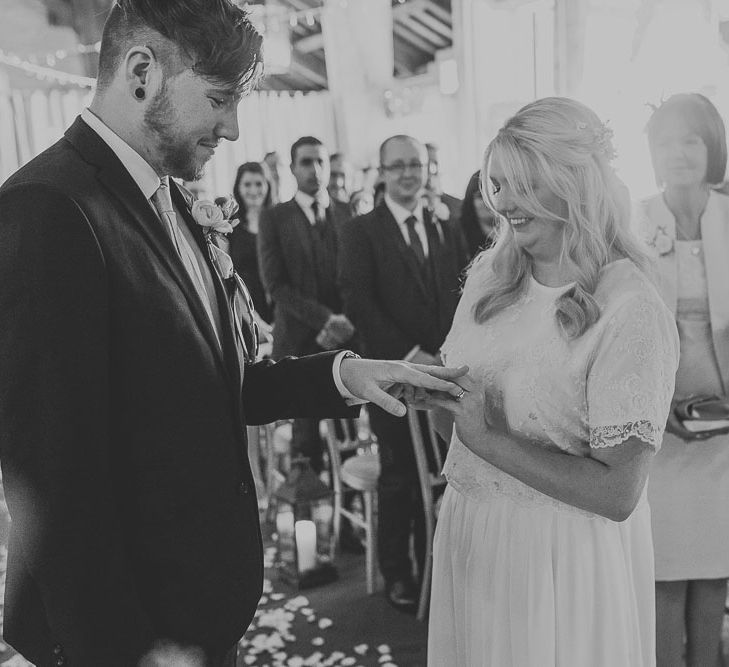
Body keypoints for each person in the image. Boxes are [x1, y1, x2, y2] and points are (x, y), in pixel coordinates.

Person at [0, 2, 467, 665]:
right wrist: (128, 650)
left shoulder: (169, 198)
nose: (234, 127)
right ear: (141, 72)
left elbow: (221, 382)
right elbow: (50, 481)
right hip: (136, 629)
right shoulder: (48, 208)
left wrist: (346, 372)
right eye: (218, 99)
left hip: (199, 605)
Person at [416, 97, 680, 666]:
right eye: (498, 184)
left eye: (522, 183)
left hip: (561, 560)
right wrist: (436, 399)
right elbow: (464, 426)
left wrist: (487, 439)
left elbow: (618, 494)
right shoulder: (490, 276)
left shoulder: (628, 306)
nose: (502, 202)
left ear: (572, 181)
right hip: (473, 534)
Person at [339, 135, 467, 612]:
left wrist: (446, 354)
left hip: (441, 369)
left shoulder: (441, 223)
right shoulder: (360, 231)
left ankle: (438, 564)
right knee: (400, 476)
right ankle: (399, 573)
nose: (409, 173)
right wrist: (412, 356)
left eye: (415, 164)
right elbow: (359, 301)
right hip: (389, 374)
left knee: (443, 471)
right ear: (383, 172)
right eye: (398, 166)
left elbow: (454, 293)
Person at [636, 93, 729, 667]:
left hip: (725, 430)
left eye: (690, 139)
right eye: (666, 141)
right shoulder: (636, 218)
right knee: (666, 575)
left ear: (711, 147)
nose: (679, 152)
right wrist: (653, 398)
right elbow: (624, 324)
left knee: (716, 573)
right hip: (662, 425)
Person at [258, 136, 355, 474]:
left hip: (348, 337)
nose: (315, 169)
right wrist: (326, 320)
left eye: (320, 161)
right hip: (298, 338)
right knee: (306, 435)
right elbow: (276, 285)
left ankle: (351, 513)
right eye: (306, 162)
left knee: (350, 429)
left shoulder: (347, 212)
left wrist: (345, 322)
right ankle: (311, 514)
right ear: (292, 167)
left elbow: (358, 274)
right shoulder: (275, 218)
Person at [228, 161, 273, 323]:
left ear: (268, 186)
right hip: (245, 309)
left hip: (280, 309)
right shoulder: (230, 226)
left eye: (259, 184)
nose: (253, 190)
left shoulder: (279, 222)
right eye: (247, 184)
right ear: (238, 188)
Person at [459, 169, 498, 260]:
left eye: (494, 194)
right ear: (471, 201)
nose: (488, 202)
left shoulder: (513, 234)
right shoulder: (460, 237)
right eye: (481, 196)